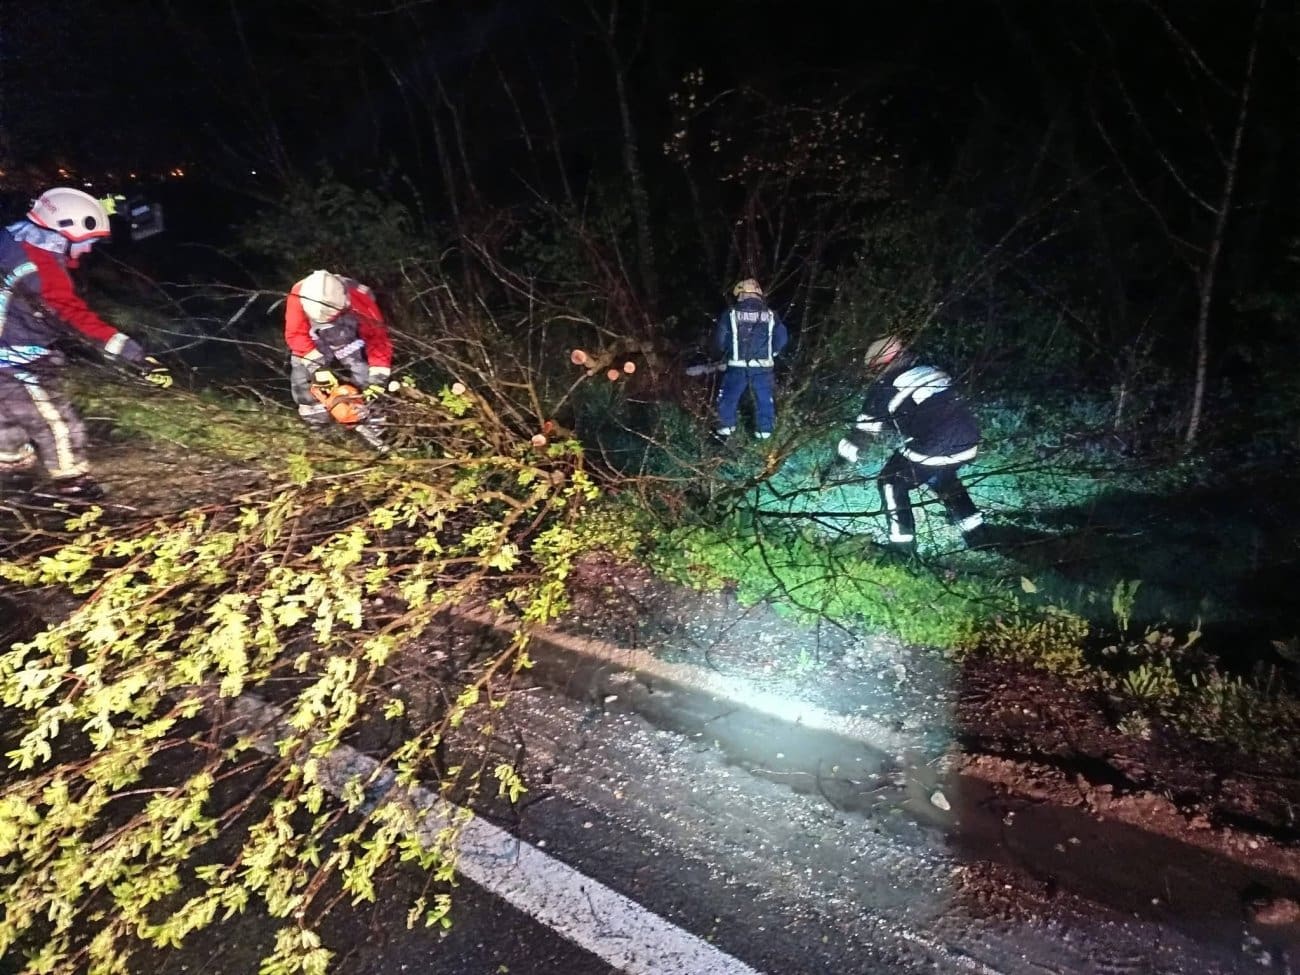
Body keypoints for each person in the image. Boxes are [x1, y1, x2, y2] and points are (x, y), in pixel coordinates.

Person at [0, 187, 172, 501]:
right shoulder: (44, 273)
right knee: (57, 422)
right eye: (87, 241)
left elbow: (63, 211)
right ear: (64, 232)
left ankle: (11, 471)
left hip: (7, 351)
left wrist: (113, 205)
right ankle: (74, 484)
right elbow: (77, 317)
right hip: (17, 361)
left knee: (8, 417)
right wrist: (134, 355)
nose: (89, 249)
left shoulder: (13, 238)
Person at [830, 335, 984, 552]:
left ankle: (902, 547)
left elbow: (863, 432)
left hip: (935, 443)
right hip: (969, 438)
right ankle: (977, 533)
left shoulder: (885, 387)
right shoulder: (928, 368)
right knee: (940, 475)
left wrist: (839, 463)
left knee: (891, 481)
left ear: (877, 366)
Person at [284, 269, 393, 435]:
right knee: (302, 374)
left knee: (364, 374)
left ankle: (374, 420)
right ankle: (317, 421)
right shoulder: (299, 293)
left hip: (348, 336)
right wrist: (317, 367)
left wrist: (378, 378)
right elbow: (296, 334)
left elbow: (377, 338)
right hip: (312, 339)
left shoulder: (359, 296)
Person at [712, 278, 788, 441]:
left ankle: (725, 429)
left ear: (741, 294)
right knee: (764, 398)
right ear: (758, 294)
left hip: (736, 366)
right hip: (763, 367)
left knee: (728, 397)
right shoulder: (771, 315)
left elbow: (720, 339)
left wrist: (726, 352)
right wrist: (772, 352)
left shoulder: (730, 314)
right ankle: (764, 431)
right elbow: (782, 338)